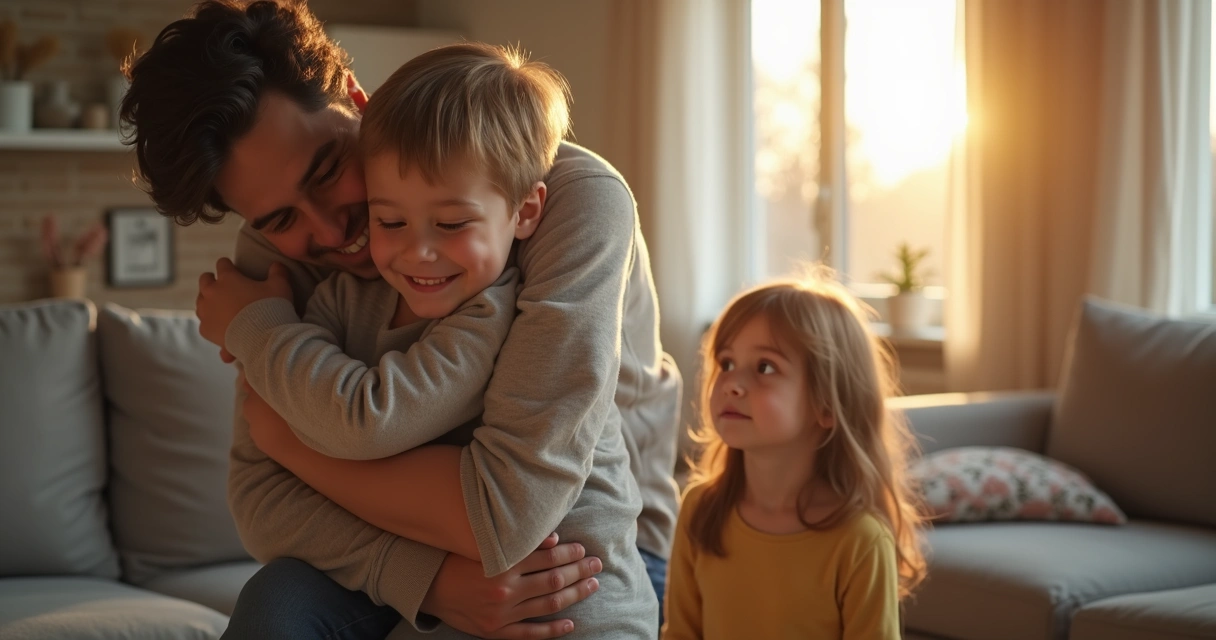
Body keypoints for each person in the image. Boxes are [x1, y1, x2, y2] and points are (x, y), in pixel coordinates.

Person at [120, 1, 682, 638]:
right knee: (278, 600)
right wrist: (430, 582)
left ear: (357, 100)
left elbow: (511, 507)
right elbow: (262, 500)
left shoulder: (567, 197)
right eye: (279, 218)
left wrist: (289, 443)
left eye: (328, 171)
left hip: (586, 547)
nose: (331, 230)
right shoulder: (274, 266)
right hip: (414, 532)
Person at [661, 272, 927, 640]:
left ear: (827, 404)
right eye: (726, 363)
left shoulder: (860, 540)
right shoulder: (700, 509)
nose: (732, 383)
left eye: (765, 367)